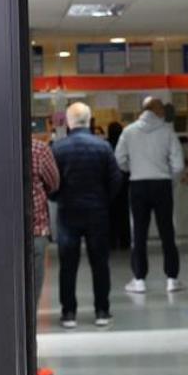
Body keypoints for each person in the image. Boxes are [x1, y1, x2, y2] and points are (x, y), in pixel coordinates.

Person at [51, 102, 122, 329]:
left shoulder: (59, 148)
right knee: (100, 263)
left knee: (67, 265)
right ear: (89, 120)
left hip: (68, 213)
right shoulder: (103, 147)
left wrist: (59, 198)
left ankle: (68, 313)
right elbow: (116, 179)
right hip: (97, 213)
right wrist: (103, 200)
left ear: (69, 122)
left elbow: (51, 183)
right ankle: (102, 311)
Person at [116, 97, 186, 294]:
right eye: (162, 109)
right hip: (162, 185)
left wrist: (134, 170)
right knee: (167, 232)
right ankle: (172, 279)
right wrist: (169, 179)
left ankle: (139, 280)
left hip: (137, 185)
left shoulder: (128, 131)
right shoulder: (167, 132)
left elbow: (119, 159)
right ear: (156, 110)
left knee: (138, 233)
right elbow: (179, 165)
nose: (164, 112)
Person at [29, 137, 60, 375]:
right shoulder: (39, 148)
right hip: (35, 232)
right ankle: (30, 365)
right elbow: (54, 182)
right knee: (30, 303)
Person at [106, 121, 131, 250]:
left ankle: (111, 242)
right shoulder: (125, 145)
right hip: (124, 182)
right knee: (124, 212)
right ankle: (125, 241)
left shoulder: (106, 146)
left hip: (109, 184)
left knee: (111, 214)